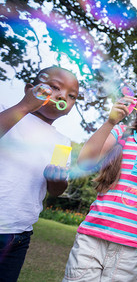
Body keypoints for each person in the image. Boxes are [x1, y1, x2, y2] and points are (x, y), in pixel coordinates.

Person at [62, 82, 137, 281]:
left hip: (134, 244)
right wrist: (110, 122)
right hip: (94, 234)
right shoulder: (119, 133)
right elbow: (84, 162)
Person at [0, 66, 79, 281]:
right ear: (29, 89)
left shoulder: (62, 142)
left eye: (71, 96)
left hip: (18, 234)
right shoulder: (7, 111)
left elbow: (56, 190)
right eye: (55, 87)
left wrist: (58, 180)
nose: (62, 95)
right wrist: (24, 106)